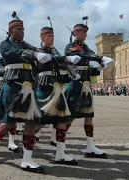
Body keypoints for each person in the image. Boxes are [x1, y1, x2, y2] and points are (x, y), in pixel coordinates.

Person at [0, 12, 54, 173]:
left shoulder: (26, 45)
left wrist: (49, 54)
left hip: (27, 87)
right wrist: (33, 54)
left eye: (23, 29)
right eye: (19, 29)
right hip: (12, 87)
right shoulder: (5, 45)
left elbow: (37, 55)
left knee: (30, 122)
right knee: (10, 123)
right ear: (11, 31)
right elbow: (12, 54)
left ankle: (27, 160)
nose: (22, 31)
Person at [64, 23, 114, 159]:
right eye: (83, 32)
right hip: (75, 84)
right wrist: (99, 58)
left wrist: (99, 68)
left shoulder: (85, 47)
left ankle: (90, 146)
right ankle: (59, 147)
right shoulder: (71, 47)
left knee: (89, 116)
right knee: (70, 116)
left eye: (86, 32)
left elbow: (88, 62)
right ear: (76, 33)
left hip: (86, 84)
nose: (86, 34)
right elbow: (82, 55)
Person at [34, 26, 81, 165]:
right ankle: (27, 150)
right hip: (44, 89)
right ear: (42, 38)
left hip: (57, 90)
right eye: (48, 36)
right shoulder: (39, 52)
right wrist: (64, 59)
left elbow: (59, 73)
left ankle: (60, 154)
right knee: (38, 123)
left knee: (61, 121)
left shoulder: (54, 53)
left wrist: (70, 76)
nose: (51, 38)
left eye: (52, 35)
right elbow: (45, 63)